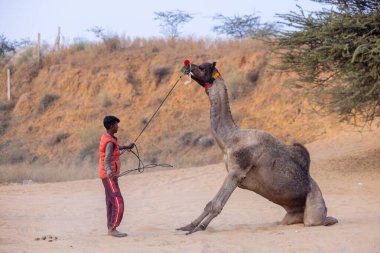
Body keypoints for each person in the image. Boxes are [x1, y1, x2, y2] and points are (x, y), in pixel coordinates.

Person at [99, 115, 135, 237]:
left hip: (107, 176)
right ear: (111, 126)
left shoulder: (108, 138)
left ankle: (110, 228)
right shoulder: (109, 142)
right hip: (109, 176)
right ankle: (113, 229)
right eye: (116, 124)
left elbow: (115, 147)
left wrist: (126, 147)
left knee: (110, 202)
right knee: (118, 202)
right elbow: (106, 161)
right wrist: (110, 173)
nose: (118, 126)